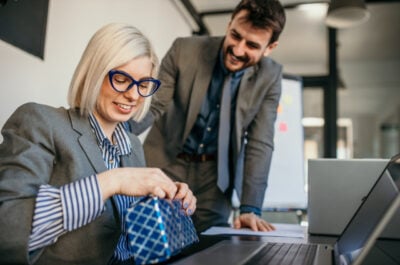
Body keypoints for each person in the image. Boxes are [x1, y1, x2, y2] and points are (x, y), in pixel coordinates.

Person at [0, 23, 196, 265]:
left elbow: (130, 240)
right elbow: (7, 230)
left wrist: (171, 206)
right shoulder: (40, 122)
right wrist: (112, 181)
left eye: (143, 85)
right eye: (122, 79)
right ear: (93, 72)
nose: (134, 96)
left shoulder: (133, 147)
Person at [130, 0, 286, 233]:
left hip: (215, 180)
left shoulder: (270, 76)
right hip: (166, 163)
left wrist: (250, 207)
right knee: (153, 242)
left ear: (270, 47)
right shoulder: (184, 50)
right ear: (229, 24)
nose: (238, 49)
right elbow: (154, 105)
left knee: (210, 249)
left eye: (252, 45)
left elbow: (259, 142)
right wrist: (112, 136)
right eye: (235, 35)